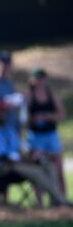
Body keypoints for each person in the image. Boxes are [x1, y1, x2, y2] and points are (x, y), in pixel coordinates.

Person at [0, 99, 67, 207]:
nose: (1, 115)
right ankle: (60, 200)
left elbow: (19, 149)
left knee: (50, 166)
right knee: (37, 172)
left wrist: (31, 157)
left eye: (3, 111)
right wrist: (19, 159)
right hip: (2, 167)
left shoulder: (9, 130)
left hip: (18, 164)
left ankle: (55, 200)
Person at [26, 68, 67, 198]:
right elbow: (23, 119)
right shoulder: (29, 96)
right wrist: (33, 119)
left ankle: (62, 198)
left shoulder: (51, 95)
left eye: (42, 78)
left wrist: (47, 116)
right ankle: (40, 202)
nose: (40, 81)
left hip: (51, 135)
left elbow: (62, 115)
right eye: (37, 78)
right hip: (35, 137)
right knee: (39, 169)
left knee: (58, 168)